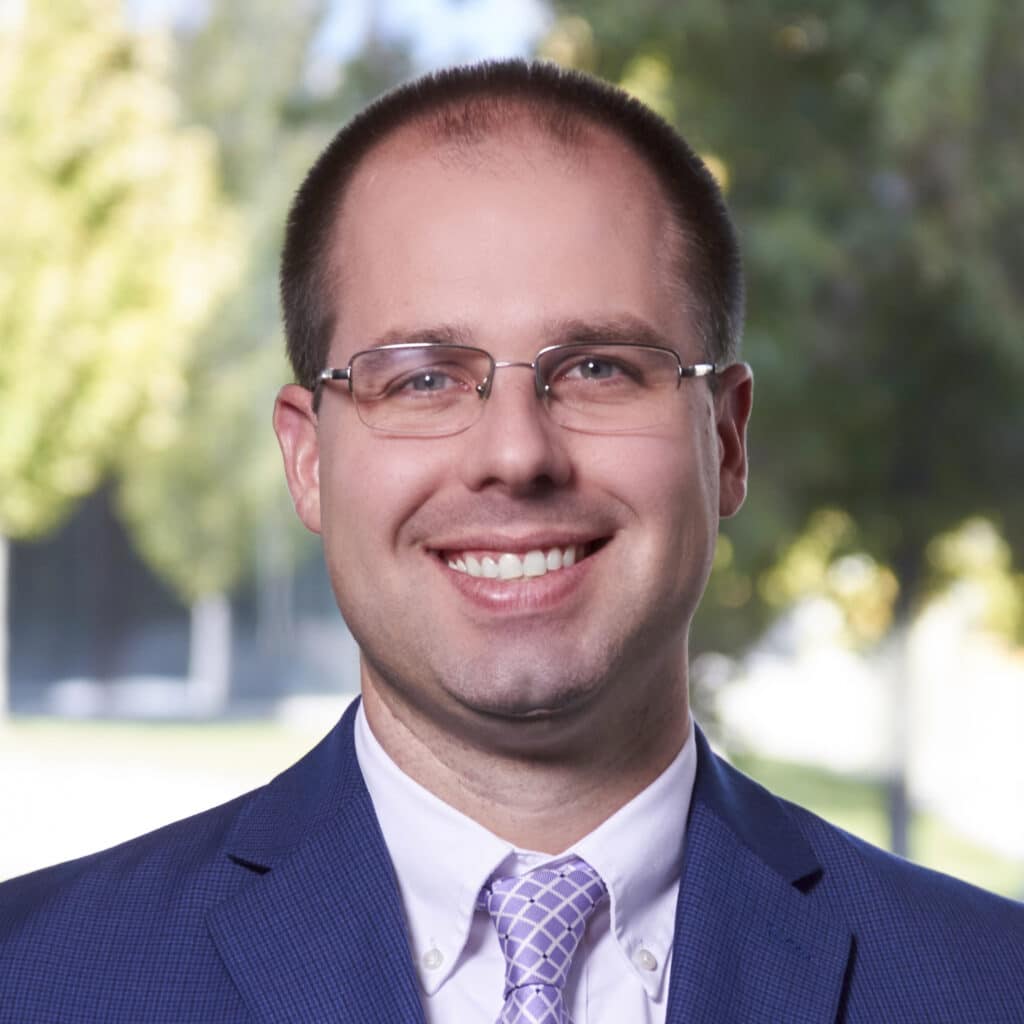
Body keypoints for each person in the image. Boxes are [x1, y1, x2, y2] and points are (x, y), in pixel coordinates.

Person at [1, 58, 1021, 1024]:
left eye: (599, 368)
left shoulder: (987, 984)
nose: (516, 453)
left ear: (725, 439)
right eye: (424, 377)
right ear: (309, 458)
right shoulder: (38, 978)